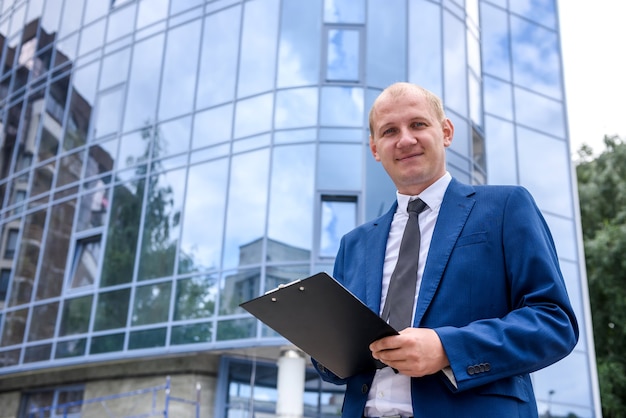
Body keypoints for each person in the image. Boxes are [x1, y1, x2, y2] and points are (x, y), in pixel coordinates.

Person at [312, 82, 579, 417]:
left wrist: (447, 349)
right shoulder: (354, 245)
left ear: (446, 131)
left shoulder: (506, 207)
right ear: (376, 148)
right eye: (390, 131)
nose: (405, 139)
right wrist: (312, 333)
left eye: (418, 125)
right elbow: (337, 361)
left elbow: (554, 322)